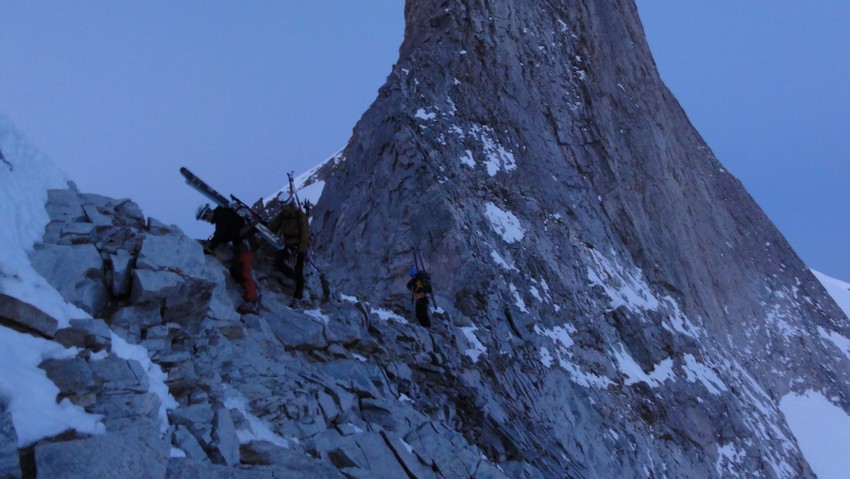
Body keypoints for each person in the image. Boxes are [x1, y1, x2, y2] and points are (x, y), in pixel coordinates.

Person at [196, 203, 260, 314]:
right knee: (236, 270)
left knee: (244, 270)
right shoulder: (223, 215)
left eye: (204, 218)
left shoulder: (221, 215)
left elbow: (220, 234)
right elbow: (225, 235)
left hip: (246, 243)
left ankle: (253, 301)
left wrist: (209, 249)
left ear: (208, 213)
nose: (206, 221)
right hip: (242, 243)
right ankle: (254, 291)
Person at [268, 195, 309, 309]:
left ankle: (297, 298)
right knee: (278, 262)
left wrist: (301, 251)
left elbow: (305, 235)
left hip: (297, 246)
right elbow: (272, 227)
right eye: (281, 206)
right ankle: (291, 278)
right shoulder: (283, 215)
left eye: (284, 206)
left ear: (289, 204)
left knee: (299, 272)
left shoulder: (300, 216)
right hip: (286, 244)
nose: (282, 208)